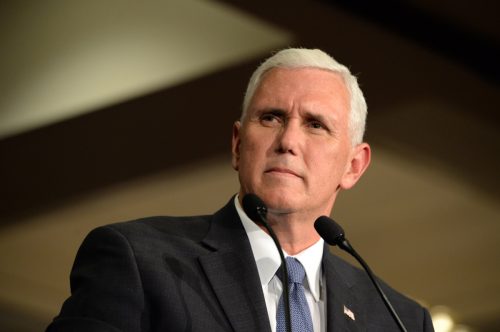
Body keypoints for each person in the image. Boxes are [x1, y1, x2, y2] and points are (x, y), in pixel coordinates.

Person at [46, 48, 434, 331]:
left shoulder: (400, 319)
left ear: (353, 166)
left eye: (316, 125)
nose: (288, 141)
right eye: (271, 117)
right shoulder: (138, 260)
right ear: (237, 143)